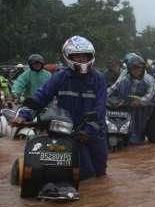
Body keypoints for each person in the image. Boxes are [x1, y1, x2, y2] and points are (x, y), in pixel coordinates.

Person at [13, 36, 108, 180]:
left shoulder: (98, 78)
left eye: (85, 56)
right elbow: (41, 96)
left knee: (100, 172)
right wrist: (23, 115)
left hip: (94, 132)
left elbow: (100, 108)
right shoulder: (60, 77)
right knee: (84, 173)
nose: (82, 60)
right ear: (68, 57)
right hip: (69, 131)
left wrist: (88, 130)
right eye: (77, 56)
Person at [107, 53, 155, 144]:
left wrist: (140, 101)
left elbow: (150, 94)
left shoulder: (149, 79)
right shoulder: (124, 78)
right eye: (133, 68)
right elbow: (114, 87)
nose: (136, 70)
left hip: (150, 108)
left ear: (142, 68)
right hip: (129, 106)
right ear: (129, 69)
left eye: (138, 67)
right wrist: (103, 97)